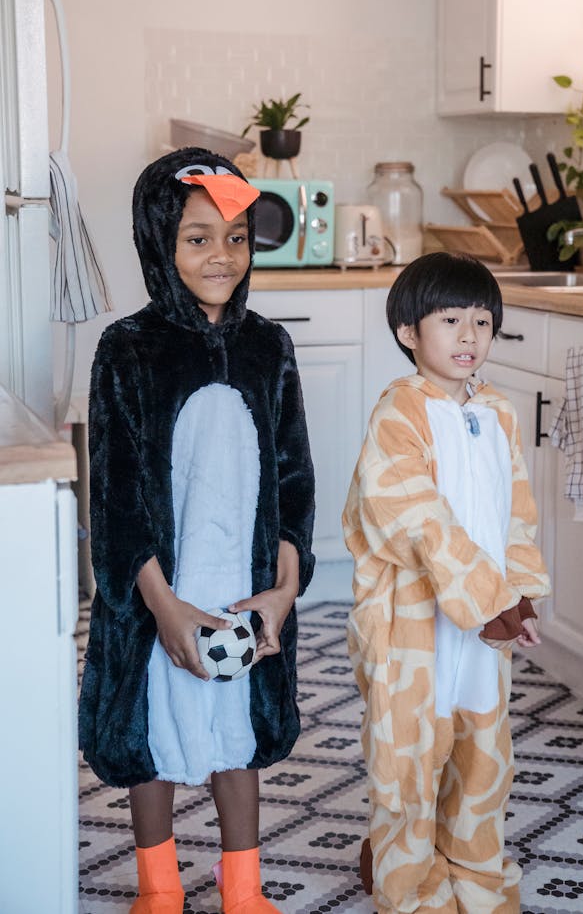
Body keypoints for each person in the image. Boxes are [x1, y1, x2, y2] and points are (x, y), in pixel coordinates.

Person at [78, 148, 315, 914]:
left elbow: (291, 482)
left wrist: (281, 592)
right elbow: (113, 496)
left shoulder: (269, 348)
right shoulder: (128, 348)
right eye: (198, 237)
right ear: (160, 243)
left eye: (238, 238)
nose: (223, 256)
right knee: (153, 735)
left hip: (245, 590)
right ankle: (159, 885)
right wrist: (160, 603)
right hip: (161, 593)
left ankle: (243, 886)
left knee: (234, 735)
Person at [343, 251, 550, 914]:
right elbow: (413, 515)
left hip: (481, 625)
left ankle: (476, 873)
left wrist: (517, 595)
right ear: (408, 331)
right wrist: (486, 600)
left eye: (483, 321)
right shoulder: (399, 412)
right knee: (408, 760)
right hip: (414, 626)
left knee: (482, 754)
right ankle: (409, 883)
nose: (469, 336)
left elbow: (518, 509)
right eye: (451, 319)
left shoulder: (499, 412)